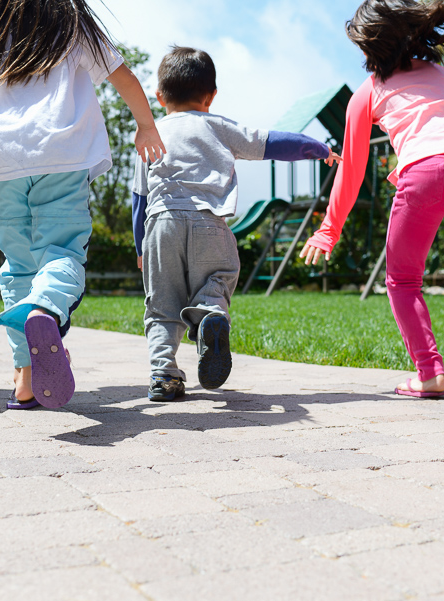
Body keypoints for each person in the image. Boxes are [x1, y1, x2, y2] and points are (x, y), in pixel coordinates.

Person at [300, 0, 444, 398]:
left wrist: (328, 231)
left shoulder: (367, 94)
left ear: (370, 48)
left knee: (402, 280)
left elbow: (351, 168)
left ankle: (429, 373)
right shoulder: (442, 74)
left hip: (424, 172)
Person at [0, 0, 165, 410]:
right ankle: (46, 309)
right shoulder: (70, 22)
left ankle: (25, 378)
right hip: (62, 155)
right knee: (63, 249)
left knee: (18, 264)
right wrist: (146, 124)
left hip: (2, 160)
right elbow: (121, 76)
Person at [132, 46, 341, 402]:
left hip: (160, 224)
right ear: (211, 96)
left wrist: (141, 248)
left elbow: (139, 199)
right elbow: (274, 143)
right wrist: (317, 148)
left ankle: (164, 375)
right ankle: (211, 313)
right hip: (209, 222)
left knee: (162, 304)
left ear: (159, 96)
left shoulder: (150, 136)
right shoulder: (219, 127)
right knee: (220, 274)